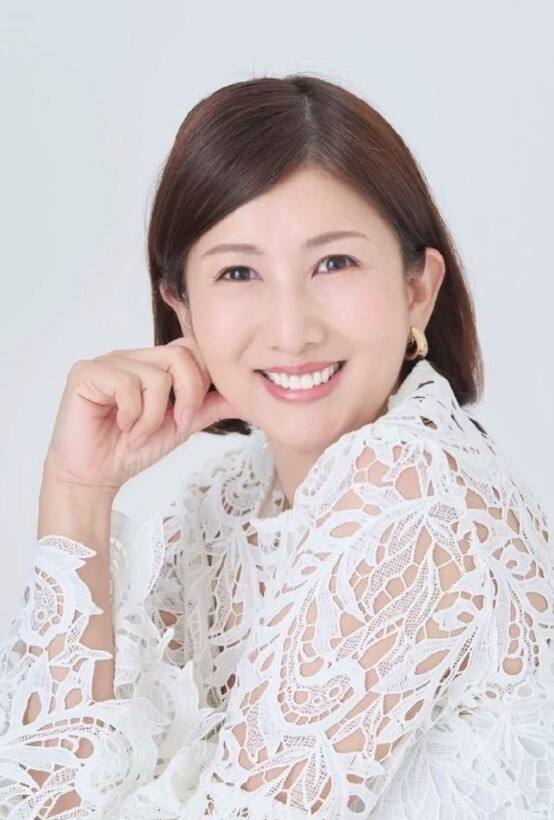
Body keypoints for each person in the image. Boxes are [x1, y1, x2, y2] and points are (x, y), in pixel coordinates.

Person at [0, 74, 552, 820]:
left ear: (417, 289)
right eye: (238, 272)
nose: (292, 330)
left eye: (334, 263)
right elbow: (43, 795)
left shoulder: (414, 496)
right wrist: (76, 490)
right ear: (182, 309)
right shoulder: (222, 507)